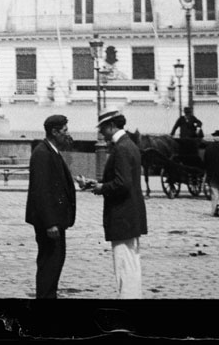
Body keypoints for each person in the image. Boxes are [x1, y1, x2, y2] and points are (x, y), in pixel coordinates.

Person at [84, 107, 147, 298]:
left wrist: (101, 188)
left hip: (122, 216)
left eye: (102, 128)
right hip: (130, 215)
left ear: (111, 126)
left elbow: (122, 184)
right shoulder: (129, 145)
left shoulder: (121, 148)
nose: (100, 133)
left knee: (124, 268)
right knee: (131, 267)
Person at [24, 114, 77, 299]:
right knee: (49, 266)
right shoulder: (42, 153)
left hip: (56, 223)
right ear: (54, 132)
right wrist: (50, 223)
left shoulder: (51, 151)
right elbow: (41, 191)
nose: (67, 134)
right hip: (50, 225)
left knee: (54, 265)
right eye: (64, 131)